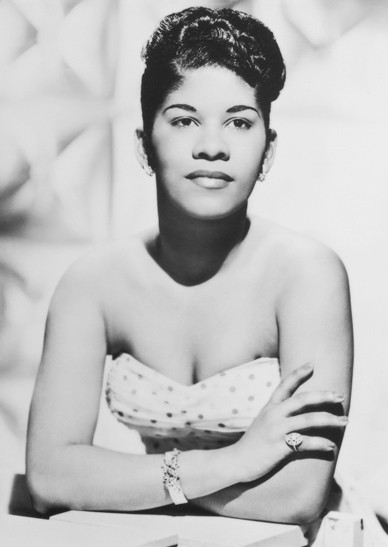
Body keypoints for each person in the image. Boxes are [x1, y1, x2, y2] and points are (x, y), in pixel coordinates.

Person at [26, 7, 353, 528]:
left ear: (268, 152)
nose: (212, 146)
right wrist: (231, 464)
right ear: (144, 146)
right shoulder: (92, 284)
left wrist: (124, 484)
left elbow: (296, 496)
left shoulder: (307, 274)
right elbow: (48, 477)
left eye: (240, 122)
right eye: (183, 119)